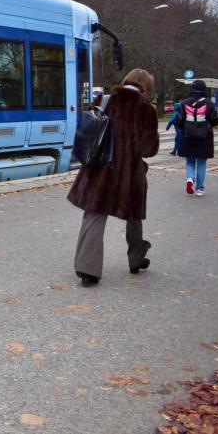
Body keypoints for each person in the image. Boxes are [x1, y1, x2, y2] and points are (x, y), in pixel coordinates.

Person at [67, 68, 159, 287]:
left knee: (94, 215)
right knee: (134, 215)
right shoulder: (146, 108)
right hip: (129, 173)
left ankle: (87, 270)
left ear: (126, 80)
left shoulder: (104, 99)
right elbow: (149, 149)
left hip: (100, 169)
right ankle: (136, 259)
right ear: (145, 87)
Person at [176, 80, 218, 197]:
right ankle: (200, 188)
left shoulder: (184, 103)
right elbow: (215, 121)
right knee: (201, 163)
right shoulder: (209, 104)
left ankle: (190, 178)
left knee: (189, 161)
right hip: (204, 137)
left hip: (188, 136)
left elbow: (179, 120)